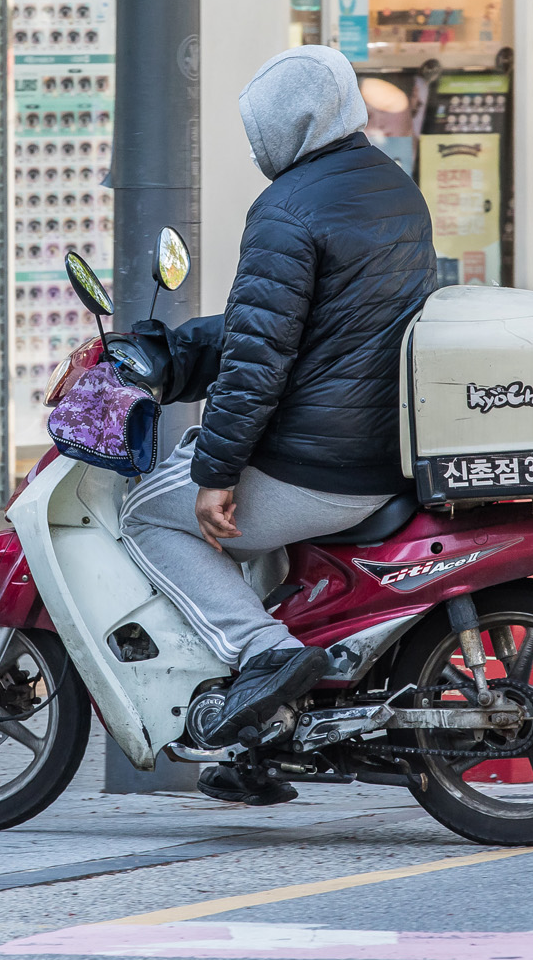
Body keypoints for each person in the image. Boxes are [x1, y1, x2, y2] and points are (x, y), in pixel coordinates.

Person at [119, 44, 436, 806]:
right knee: (238, 548)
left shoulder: (287, 207)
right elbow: (306, 328)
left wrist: (215, 473)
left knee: (147, 517)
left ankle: (265, 655)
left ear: (284, 129)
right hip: (380, 451)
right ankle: (263, 743)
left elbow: (259, 361)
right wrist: (179, 352)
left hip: (315, 463)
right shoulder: (395, 189)